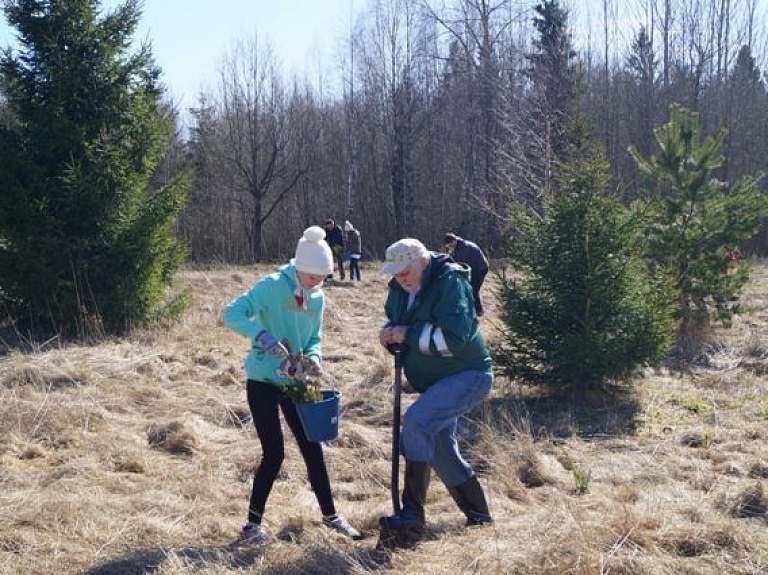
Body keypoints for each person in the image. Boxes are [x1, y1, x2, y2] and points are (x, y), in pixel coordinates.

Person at [222, 226, 362, 545]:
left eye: (322, 278)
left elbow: (315, 337)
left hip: (296, 382)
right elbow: (232, 313)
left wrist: (313, 357)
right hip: (263, 381)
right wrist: (261, 335)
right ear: (299, 267)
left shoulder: (318, 296)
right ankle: (252, 526)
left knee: (313, 447)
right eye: (313, 277)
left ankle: (331, 516)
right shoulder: (271, 286)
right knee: (274, 454)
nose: (318, 283)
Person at [378, 238, 494, 537]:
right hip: (438, 381)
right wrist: (390, 334)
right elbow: (397, 320)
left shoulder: (450, 282)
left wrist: (408, 333)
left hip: (468, 374)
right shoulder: (399, 288)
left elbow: (456, 338)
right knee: (441, 449)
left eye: (406, 270)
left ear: (423, 261)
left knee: (417, 423)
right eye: (396, 272)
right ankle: (480, 517)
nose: (401, 277)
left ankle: (412, 515)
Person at [443, 233, 490, 316]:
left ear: (454, 241)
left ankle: (479, 311)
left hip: (480, 269)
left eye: (450, 246)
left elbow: (460, 264)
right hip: (474, 268)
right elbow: (452, 258)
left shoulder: (464, 248)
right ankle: (472, 309)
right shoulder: (457, 246)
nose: (450, 248)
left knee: (473, 290)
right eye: (448, 247)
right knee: (469, 289)